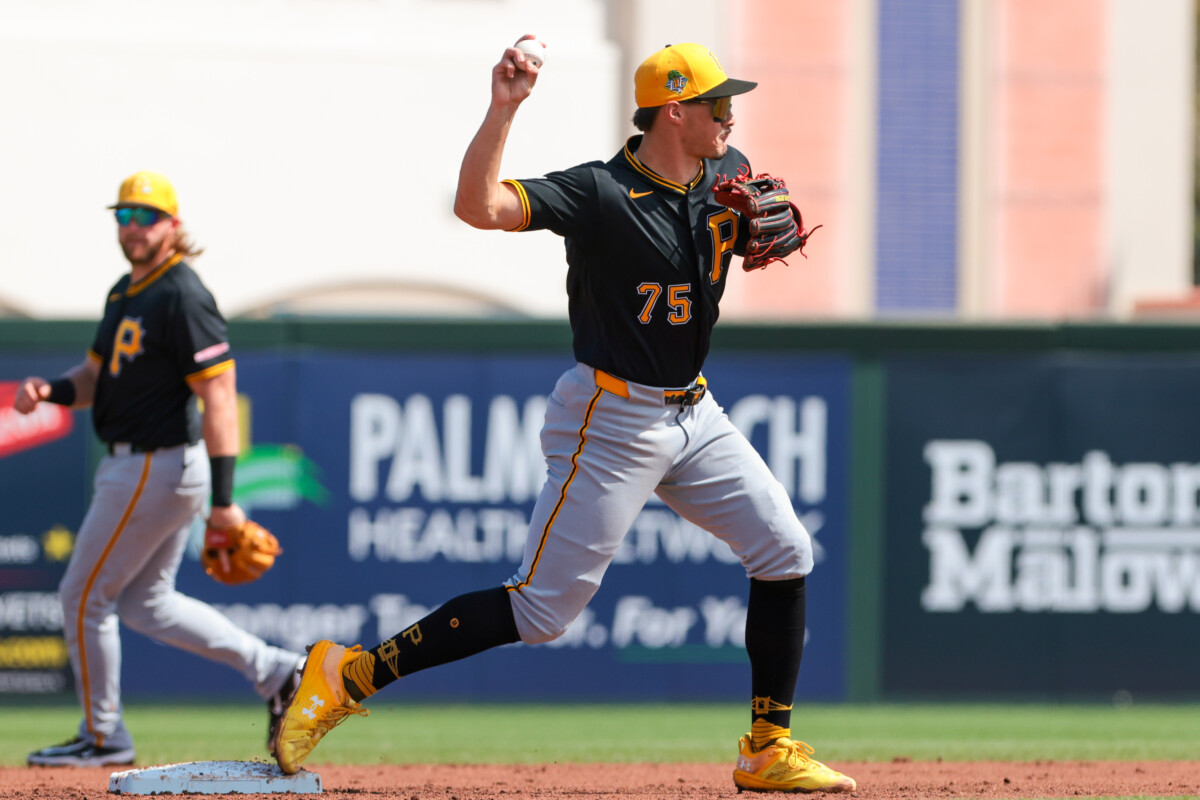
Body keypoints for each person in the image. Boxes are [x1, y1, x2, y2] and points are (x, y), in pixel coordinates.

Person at [274, 39, 856, 793]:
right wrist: (503, 109)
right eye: (717, 102)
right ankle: (345, 675)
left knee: (784, 550)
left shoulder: (729, 172)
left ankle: (767, 748)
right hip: (611, 418)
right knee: (542, 612)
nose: (730, 113)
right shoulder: (600, 193)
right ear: (673, 110)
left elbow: (737, 237)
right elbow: (476, 208)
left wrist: (748, 236)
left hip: (695, 409)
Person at [16, 171, 303, 767]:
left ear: (174, 224)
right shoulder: (126, 290)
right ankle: (276, 671)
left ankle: (103, 736)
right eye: (124, 216)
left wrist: (225, 501)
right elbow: (96, 377)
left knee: (82, 594)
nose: (133, 227)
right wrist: (51, 390)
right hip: (145, 466)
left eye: (146, 216)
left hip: (157, 463)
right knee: (148, 603)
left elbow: (220, 394)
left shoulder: (181, 294)